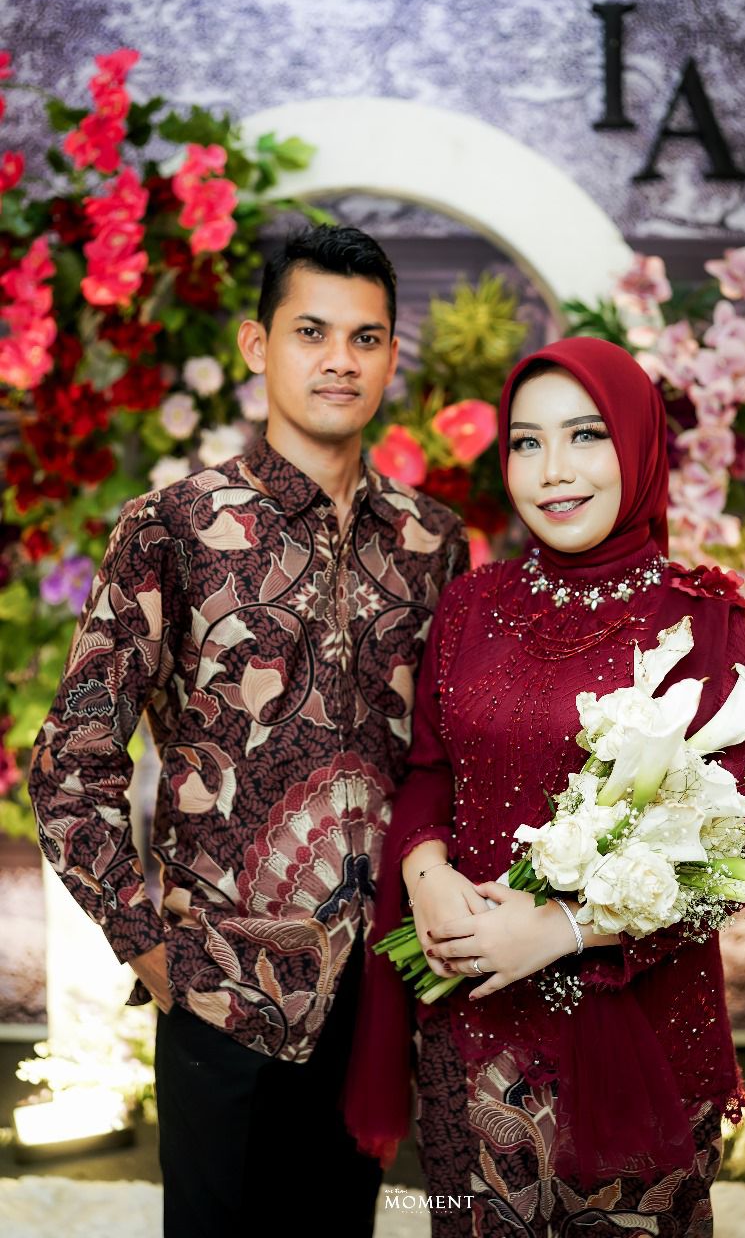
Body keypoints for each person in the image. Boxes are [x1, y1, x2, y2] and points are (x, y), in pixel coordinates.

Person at [29, 224, 469, 1237]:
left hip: (376, 993)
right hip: (219, 990)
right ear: (255, 345)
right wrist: (146, 947)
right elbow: (70, 762)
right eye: (311, 331)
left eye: (365, 337)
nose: (338, 359)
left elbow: (444, 759)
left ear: (391, 358)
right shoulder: (175, 526)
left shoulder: (432, 541)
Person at [345, 337, 745, 1236]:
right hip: (472, 1027)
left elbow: (735, 850)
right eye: (526, 443)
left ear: (637, 445)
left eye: (584, 435)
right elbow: (429, 770)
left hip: (640, 1030)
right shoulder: (470, 605)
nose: (553, 471)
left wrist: (559, 929)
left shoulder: (702, 621)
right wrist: (425, 876)